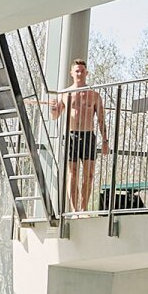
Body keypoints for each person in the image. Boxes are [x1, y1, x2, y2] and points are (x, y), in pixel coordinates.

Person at [46, 59, 106, 213]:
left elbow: (101, 119)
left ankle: (84, 208)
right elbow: (55, 115)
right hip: (71, 135)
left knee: (89, 174)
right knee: (72, 173)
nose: (79, 73)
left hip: (88, 136)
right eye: (77, 71)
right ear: (72, 73)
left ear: (86, 73)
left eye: (82, 71)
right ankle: (74, 210)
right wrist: (53, 108)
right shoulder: (65, 93)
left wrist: (105, 141)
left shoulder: (94, 94)